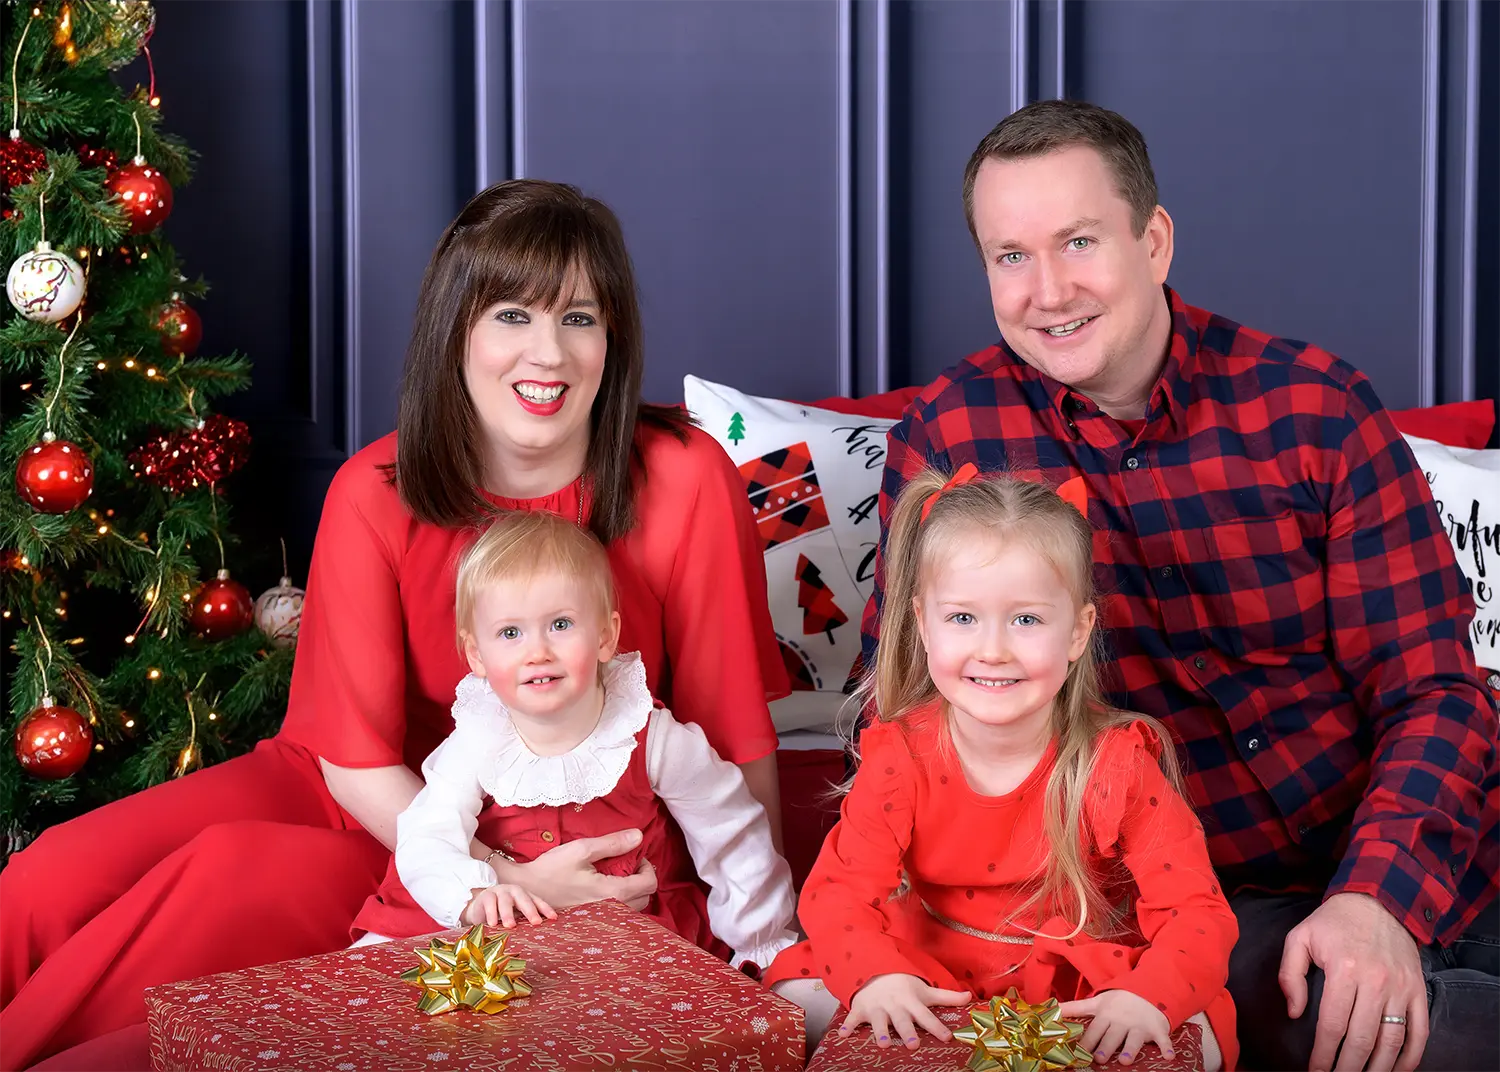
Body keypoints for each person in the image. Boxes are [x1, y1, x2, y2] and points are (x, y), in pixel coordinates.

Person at [0, 178, 790, 1068]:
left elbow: (732, 731)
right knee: (48, 877)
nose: (550, 353)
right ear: (456, 330)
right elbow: (352, 757)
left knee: (217, 884)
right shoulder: (374, 491)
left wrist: (760, 949)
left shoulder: (685, 477)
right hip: (371, 791)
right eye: (512, 315)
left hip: (531, 818)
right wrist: (499, 880)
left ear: (614, 340)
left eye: (579, 318)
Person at [856, 99, 1500, 1072]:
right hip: (1208, 896)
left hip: (1430, 844)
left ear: (1153, 241)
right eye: (1010, 255)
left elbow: (1434, 689)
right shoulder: (953, 438)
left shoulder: (1314, 408)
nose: (1048, 291)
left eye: (1079, 241)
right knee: (1348, 1031)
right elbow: (902, 701)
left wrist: (1377, 898)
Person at [769, 467, 1237, 1071]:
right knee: (796, 996)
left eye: (1027, 620)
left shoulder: (1116, 762)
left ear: (1079, 631)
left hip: (1076, 984)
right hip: (929, 972)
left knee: (1191, 1028)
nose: (993, 650)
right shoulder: (901, 755)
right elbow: (838, 895)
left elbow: (1196, 911)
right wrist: (878, 977)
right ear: (923, 623)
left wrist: (1147, 997)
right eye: (963, 618)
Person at [352, 509, 799, 973]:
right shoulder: (480, 738)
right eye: (510, 633)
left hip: (623, 933)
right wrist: (470, 896)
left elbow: (731, 833)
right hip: (502, 931)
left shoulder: (648, 736)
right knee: (397, 978)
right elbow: (428, 832)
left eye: (560, 624)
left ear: (606, 636)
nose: (537, 652)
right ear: (476, 655)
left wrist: (760, 941)